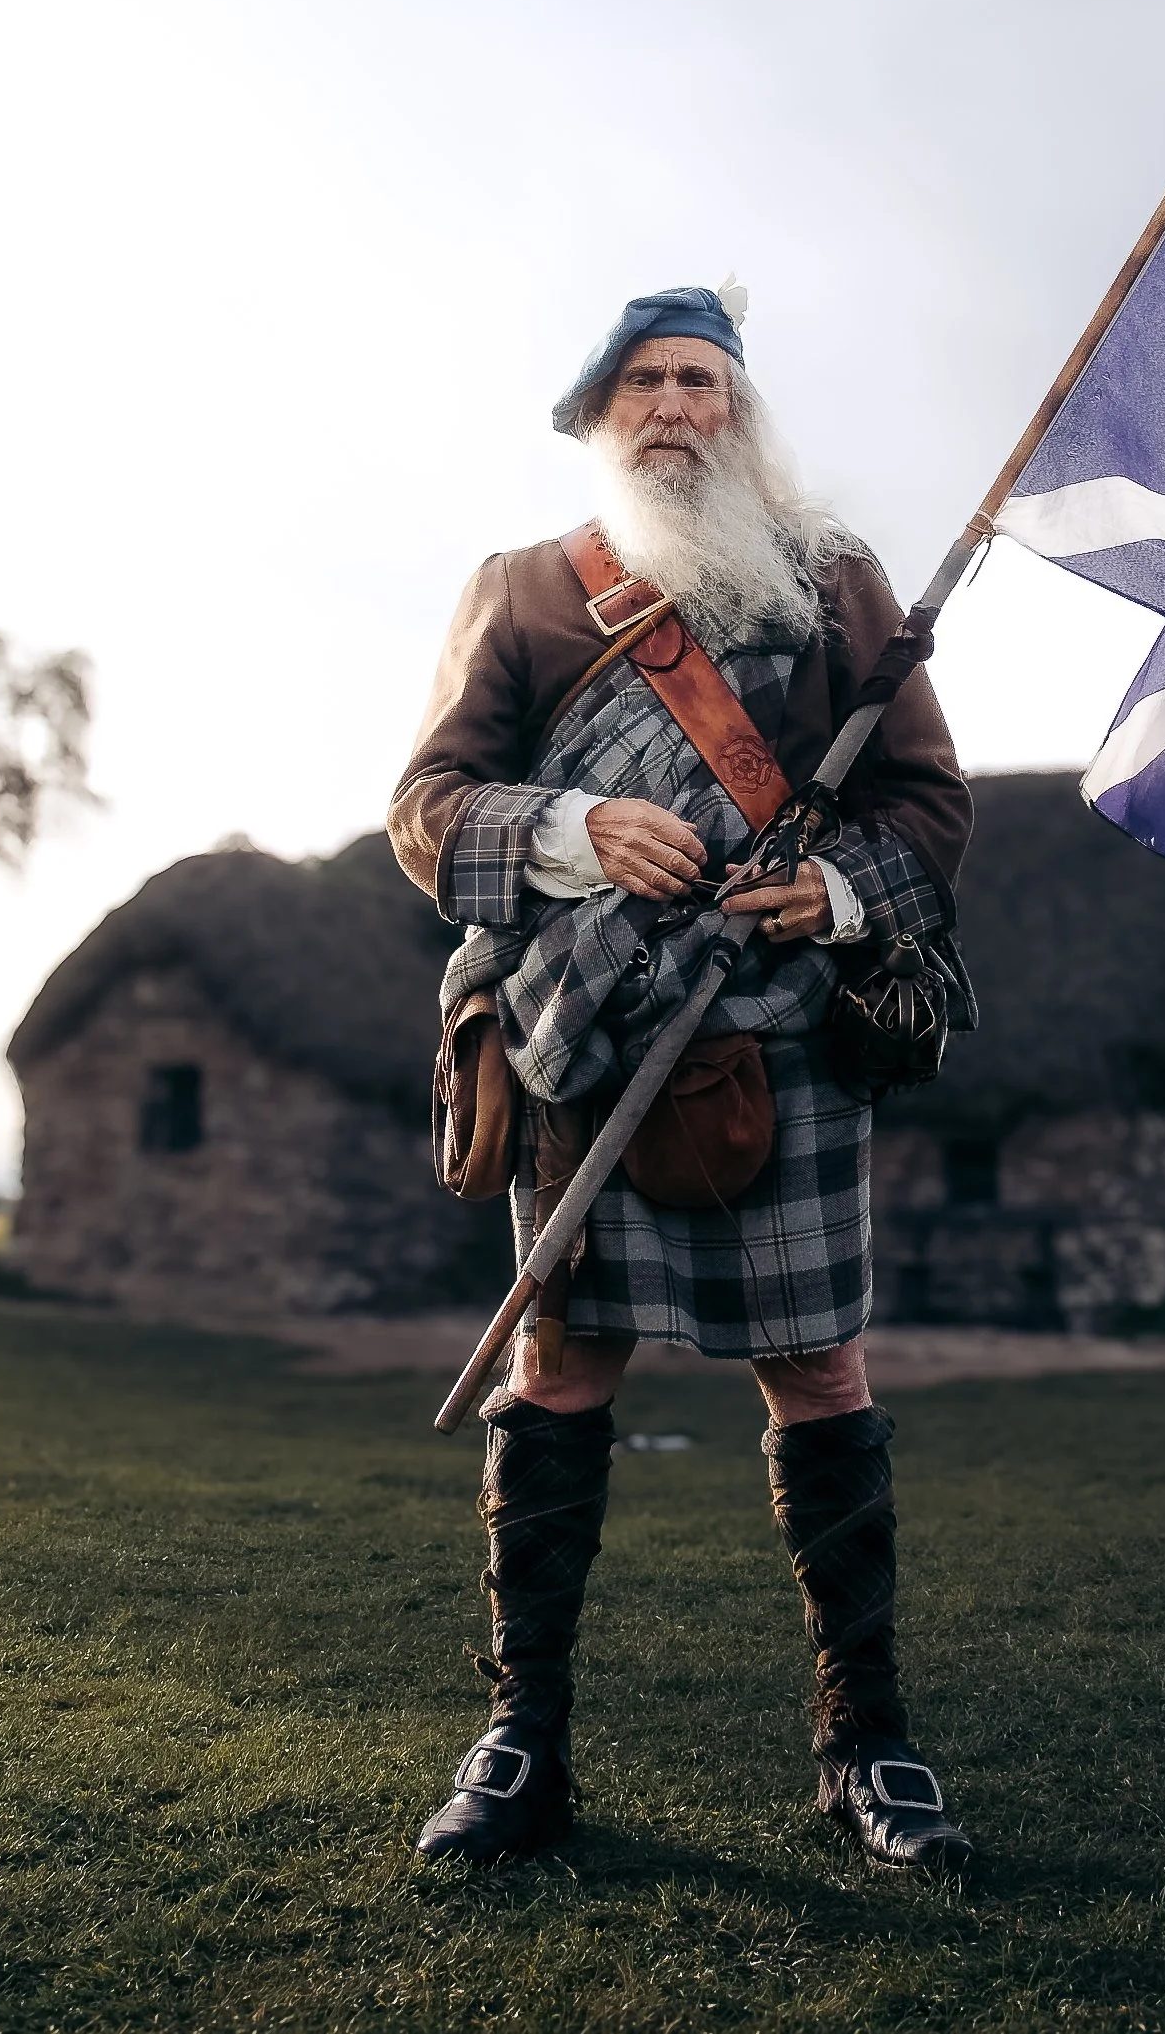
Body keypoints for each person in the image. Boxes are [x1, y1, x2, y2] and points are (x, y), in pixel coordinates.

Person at [388, 280, 975, 1868]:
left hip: (781, 1038)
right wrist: (573, 835)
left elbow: (927, 807)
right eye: (642, 380)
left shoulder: (836, 581)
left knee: (822, 1375)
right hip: (581, 1039)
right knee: (559, 1379)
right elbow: (428, 807)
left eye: (703, 380)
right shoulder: (521, 589)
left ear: (740, 412)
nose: (672, 404)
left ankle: (868, 1744)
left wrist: (839, 890)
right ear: (598, 418)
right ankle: (522, 1743)